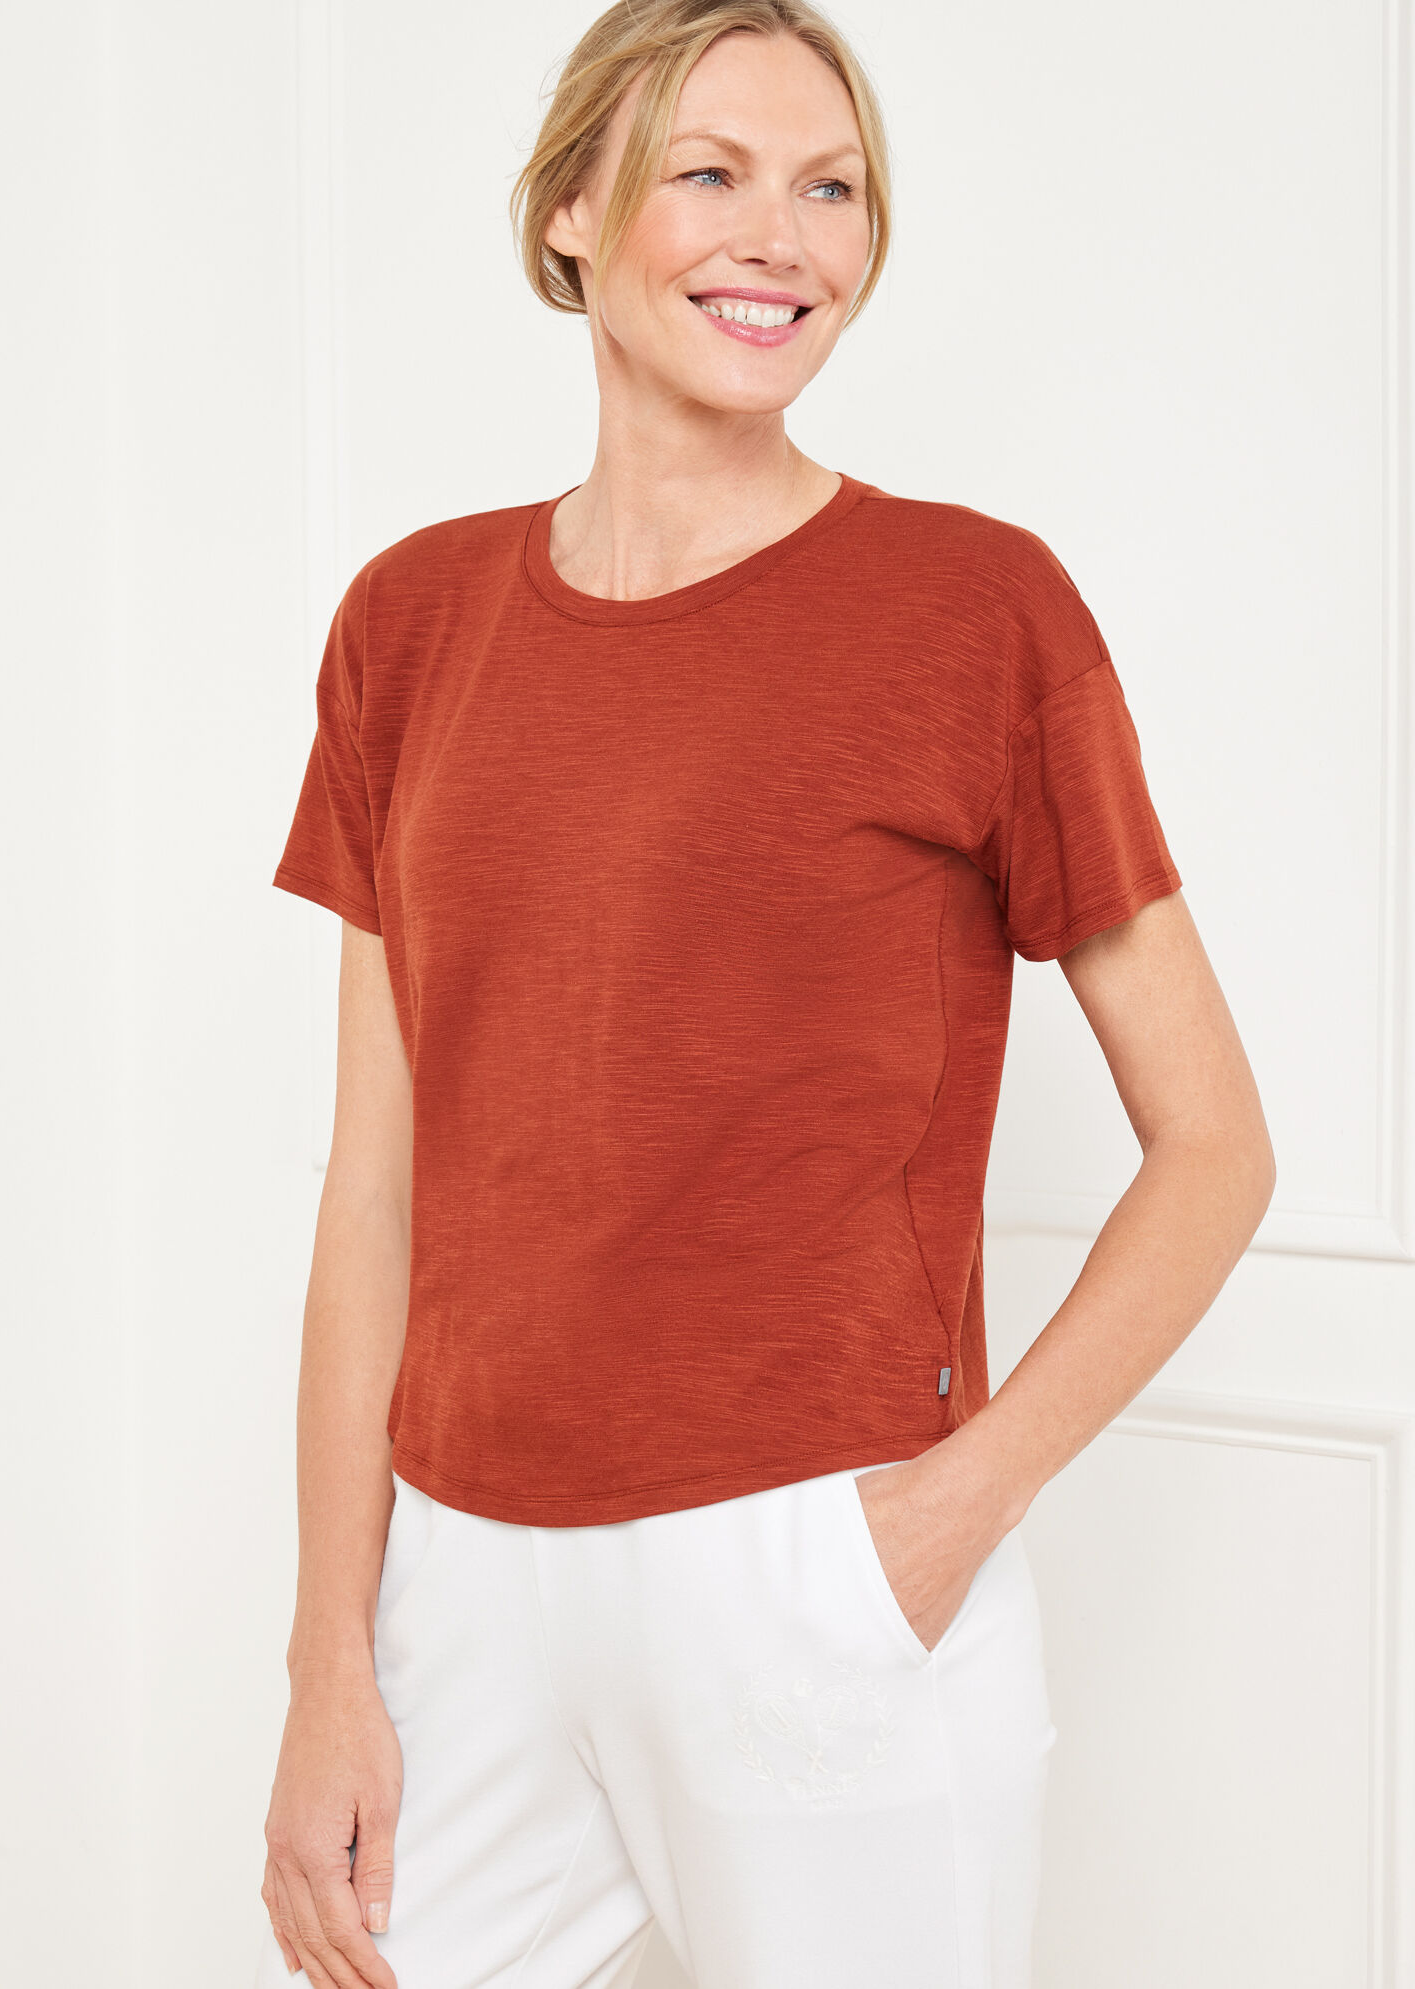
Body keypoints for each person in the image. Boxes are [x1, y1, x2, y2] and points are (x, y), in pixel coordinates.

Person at [254, 3, 1275, 1986]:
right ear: (570, 210)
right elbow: (375, 1188)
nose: (779, 240)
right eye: (708, 172)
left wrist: (944, 1519)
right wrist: (328, 1662)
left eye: (831, 189)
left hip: (815, 1571)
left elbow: (1215, 1145)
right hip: (461, 1573)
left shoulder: (976, 611)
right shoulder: (409, 623)